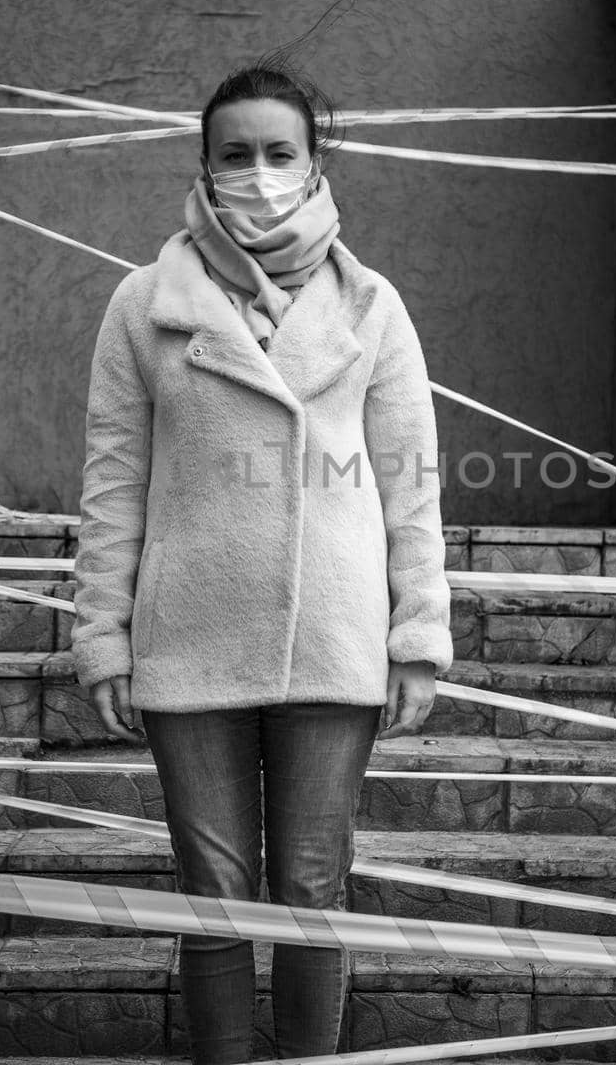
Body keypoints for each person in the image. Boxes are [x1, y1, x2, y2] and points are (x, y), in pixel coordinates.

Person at [70, 56, 454, 1064]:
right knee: (214, 894)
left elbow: (411, 481)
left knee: (316, 885)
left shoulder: (372, 305)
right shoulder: (143, 302)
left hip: (332, 635)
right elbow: (111, 486)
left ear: (316, 163)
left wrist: (418, 633)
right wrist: (102, 638)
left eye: (279, 152)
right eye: (235, 153)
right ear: (203, 162)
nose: (258, 172)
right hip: (190, 638)